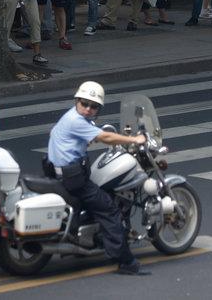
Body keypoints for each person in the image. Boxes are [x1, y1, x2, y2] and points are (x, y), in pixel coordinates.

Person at [46, 81, 148, 276]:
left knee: (98, 197)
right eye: (84, 103)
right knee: (109, 209)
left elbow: (92, 134)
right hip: (74, 179)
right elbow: (106, 138)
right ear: (77, 100)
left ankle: (86, 239)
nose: (88, 109)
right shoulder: (75, 121)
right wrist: (134, 139)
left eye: (93, 106)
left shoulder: (71, 116)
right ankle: (126, 262)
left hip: (61, 173)